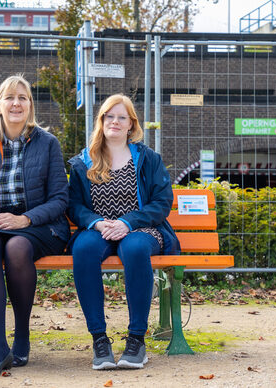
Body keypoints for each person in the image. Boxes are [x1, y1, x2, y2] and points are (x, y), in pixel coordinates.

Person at [0, 74, 69, 376]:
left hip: (40, 225)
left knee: (17, 247)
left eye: (23, 98)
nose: (16, 103)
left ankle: (21, 334)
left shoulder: (47, 144)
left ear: (30, 106)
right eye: (10, 97)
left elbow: (60, 198)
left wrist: (25, 219)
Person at [67, 94, 180, 370]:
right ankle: (99, 341)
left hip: (141, 229)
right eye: (109, 116)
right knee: (83, 249)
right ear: (101, 121)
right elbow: (74, 205)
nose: (115, 122)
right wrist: (95, 222)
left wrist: (128, 223)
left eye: (122, 117)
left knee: (135, 248)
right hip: (101, 228)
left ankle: (136, 341)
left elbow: (161, 203)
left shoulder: (148, 159)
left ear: (131, 124)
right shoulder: (85, 161)